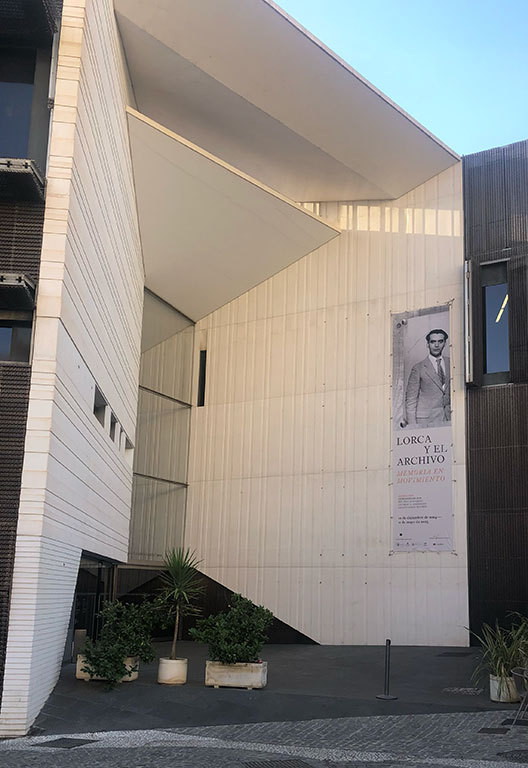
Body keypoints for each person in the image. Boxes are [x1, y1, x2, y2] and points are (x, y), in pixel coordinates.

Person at [405, 329, 450, 427]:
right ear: (428, 344)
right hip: (426, 422)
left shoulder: (451, 363)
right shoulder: (418, 368)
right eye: (433, 342)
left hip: (448, 419)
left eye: (440, 341)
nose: (437, 345)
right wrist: (413, 426)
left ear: (445, 343)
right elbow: (411, 399)